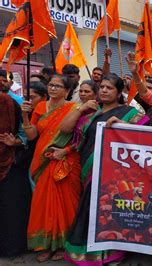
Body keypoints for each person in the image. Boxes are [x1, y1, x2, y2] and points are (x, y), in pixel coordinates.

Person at [59, 73, 142, 265]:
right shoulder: (91, 112)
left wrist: (123, 125)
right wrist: (80, 110)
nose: (104, 90)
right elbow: (65, 129)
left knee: (108, 210)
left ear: (119, 92)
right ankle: (86, 252)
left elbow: (145, 136)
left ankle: (110, 251)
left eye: (110, 88)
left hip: (115, 172)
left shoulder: (129, 112)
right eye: (102, 87)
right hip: (88, 168)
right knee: (88, 209)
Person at [21, 74, 81, 262]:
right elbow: (32, 136)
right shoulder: (39, 107)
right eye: (51, 85)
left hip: (65, 160)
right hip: (42, 160)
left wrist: (65, 151)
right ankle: (47, 244)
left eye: (57, 86)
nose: (52, 89)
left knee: (64, 203)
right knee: (44, 203)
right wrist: (24, 114)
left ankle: (63, 244)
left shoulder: (74, 108)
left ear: (67, 90)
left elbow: (80, 138)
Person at [0, 80, 32, 258]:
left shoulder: (10, 103)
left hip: (11, 162)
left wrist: (15, 142)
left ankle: (11, 248)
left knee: (10, 208)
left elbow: (24, 136)